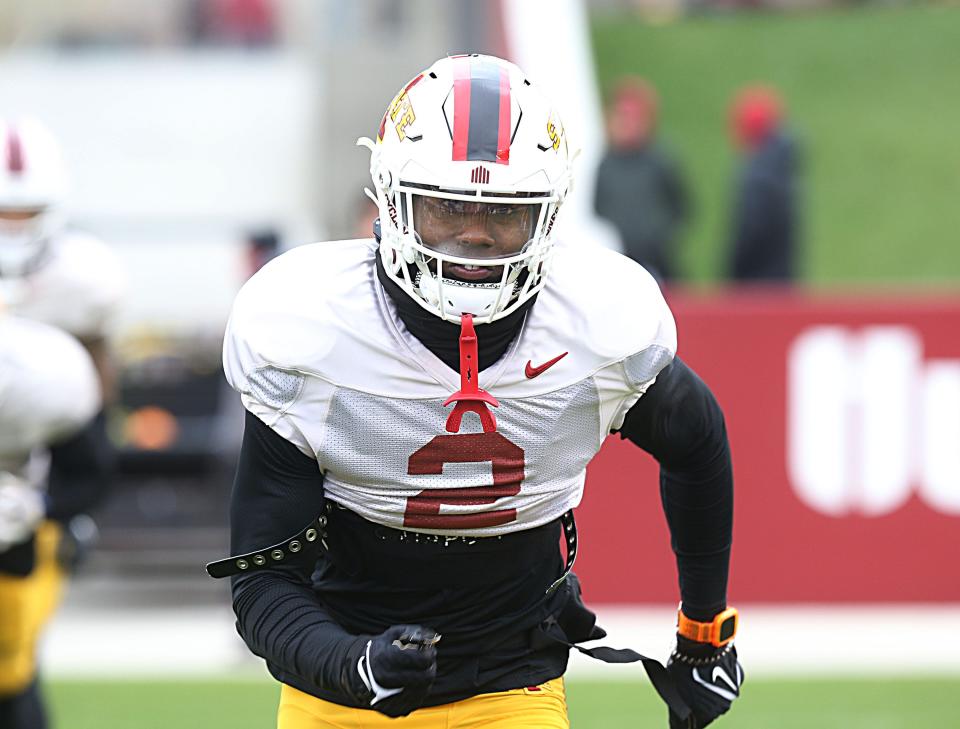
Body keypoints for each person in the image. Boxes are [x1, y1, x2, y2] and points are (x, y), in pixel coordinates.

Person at [208, 54, 742, 728]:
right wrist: (353, 663)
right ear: (393, 199)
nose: (475, 235)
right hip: (338, 698)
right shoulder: (312, 331)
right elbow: (262, 585)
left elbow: (697, 440)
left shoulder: (596, 324)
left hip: (513, 683)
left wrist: (705, 631)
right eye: (448, 206)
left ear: (547, 216)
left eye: (505, 213)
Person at [0, 117, 125, 728]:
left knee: (13, 656)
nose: (13, 229)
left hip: (33, 486)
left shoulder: (83, 279)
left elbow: (95, 410)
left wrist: (68, 505)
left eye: (25, 212)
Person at [0, 314, 103, 728]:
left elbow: (91, 474)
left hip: (17, 542)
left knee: (12, 676)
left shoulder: (42, 373)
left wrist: (37, 507)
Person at [594, 77, 690, 283]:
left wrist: (658, 233)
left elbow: (682, 207)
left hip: (659, 262)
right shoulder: (606, 165)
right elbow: (597, 209)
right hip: (619, 260)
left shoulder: (661, 162)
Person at [727, 85, 801, 282]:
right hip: (782, 281)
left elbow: (751, 233)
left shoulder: (758, 177)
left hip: (755, 286)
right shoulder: (783, 167)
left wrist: (732, 273)